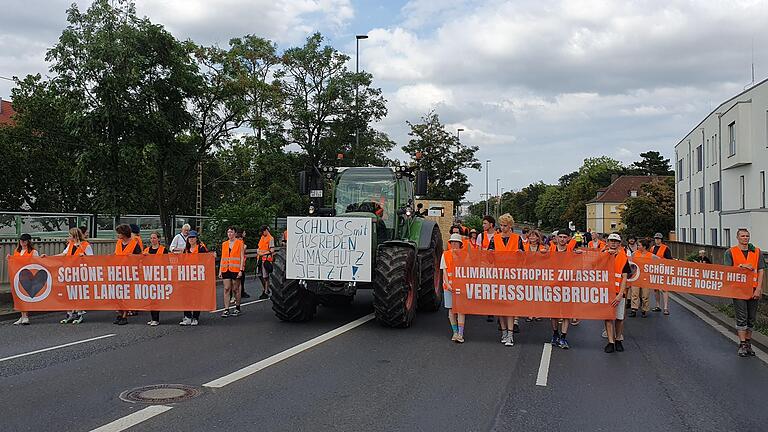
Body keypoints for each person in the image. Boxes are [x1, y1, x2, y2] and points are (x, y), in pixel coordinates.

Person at [724, 229, 764, 357]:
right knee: (742, 317)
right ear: (737, 237)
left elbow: (761, 270)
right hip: (738, 289)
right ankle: (742, 344)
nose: (745, 238)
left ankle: (748, 343)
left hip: (753, 288)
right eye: (742, 236)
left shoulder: (757, 252)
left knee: (751, 318)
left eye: (747, 236)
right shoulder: (730, 252)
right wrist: (742, 266)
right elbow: (727, 270)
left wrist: (758, 288)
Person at [488, 213, 524, 346]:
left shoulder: (517, 238)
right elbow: (488, 257)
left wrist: (521, 254)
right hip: (498, 275)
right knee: (500, 307)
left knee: (510, 306)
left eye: (505, 226)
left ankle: (510, 334)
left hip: (512, 276)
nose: (502, 228)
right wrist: (490, 254)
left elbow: (523, 257)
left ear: (510, 226)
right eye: (501, 225)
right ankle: (504, 332)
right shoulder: (495, 239)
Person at [549, 229, 581, 349]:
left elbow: (578, 267)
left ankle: (563, 337)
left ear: (568, 239)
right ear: (556, 238)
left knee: (566, 312)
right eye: (560, 237)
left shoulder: (572, 251)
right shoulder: (550, 250)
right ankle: (555, 334)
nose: (562, 239)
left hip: (568, 286)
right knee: (554, 313)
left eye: (564, 237)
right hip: (553, 286)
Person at [58, 227, 94, 324]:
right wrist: (49, 257)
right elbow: (63, 254)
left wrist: (84, 257)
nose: (68, 237)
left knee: (78, 293)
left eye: (70, 235)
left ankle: (79, 314)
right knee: (69, 293)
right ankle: (69, 314)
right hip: (70, 271)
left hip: (80, 272)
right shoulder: (70, 245)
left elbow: (92, 258)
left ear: (75, 236)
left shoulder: (86, 245)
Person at [603, 233, 631, 353]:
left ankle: (618, 338)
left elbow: (625, 277)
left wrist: (620, 294)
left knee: (619, 318)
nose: (613, 243)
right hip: (606, 293)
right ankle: (610, 342)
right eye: (611, 241)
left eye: (615, 241)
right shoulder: (602, 256)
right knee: (608, 318)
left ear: (619, 244)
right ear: (607, 242)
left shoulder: (623, 258)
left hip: (619, 293)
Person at [114, 223, 142, 325]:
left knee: (125, 293)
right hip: (118, 271)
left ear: (124, 233)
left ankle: (124, 315)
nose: (118, 235)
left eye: (119, 233)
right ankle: (120, 312)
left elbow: (140, 257)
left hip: (129, 272)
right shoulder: (118, 243)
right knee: (117, 293)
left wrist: (133, 257)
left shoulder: (134, 243)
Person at [8, 234, 38, 325]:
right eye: (21, 240)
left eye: (24, 241)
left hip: (28, 276)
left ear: (28, 241)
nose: (22, 242)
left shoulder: (33, 252)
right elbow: (14, 263)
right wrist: (10, 258)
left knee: (25, 296)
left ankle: (25, 316)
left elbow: (37, 263)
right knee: (19, 297)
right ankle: (22, 316)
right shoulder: (17, 251)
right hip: (17, 276)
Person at [441, 233, 466, 343]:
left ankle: (460, 334)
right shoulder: (445, 254)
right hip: (449, 287)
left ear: (460, 244)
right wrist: (448, 284)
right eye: (452, 242)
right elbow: (444, 271)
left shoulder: (464, 255)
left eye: (456, 242)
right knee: (451, 310)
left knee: (460, 310)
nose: (454, 244)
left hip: (460, 286)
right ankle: (455, 332)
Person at [181, 230, 207, 325]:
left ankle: (195, 317)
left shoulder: (201, 249)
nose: (191, 239)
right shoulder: (186, 250)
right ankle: (187, 316)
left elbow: (206, 261)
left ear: (196, 239)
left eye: (193, 237)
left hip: (197, 277)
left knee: (196, 297)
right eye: (189, 238)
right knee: (186, 297)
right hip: (187, 277)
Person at [220, 226, 246, 317]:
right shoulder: (224, 244)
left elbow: (242, 257)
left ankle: (237, 307)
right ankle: (226, 309)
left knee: (235, 289)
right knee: (227, 288)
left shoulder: (240, 243)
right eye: (228, 232)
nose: (229, 234)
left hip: (235, 269)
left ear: (235, 233)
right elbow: (223, 257)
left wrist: (241, 270)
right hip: (225, 268)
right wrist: (220, 270)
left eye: (231, 232)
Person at [143, 232, 167, 326]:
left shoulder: (163, 250)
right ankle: (153, 318)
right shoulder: (146, 250)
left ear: (158, 239)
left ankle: (156, 319)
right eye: (151, 238)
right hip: (149, 277)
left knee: (156, 299)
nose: (152, 240)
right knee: (151, 299)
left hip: (159, 277)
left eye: (154, 238)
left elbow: (166, 263)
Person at [628, 238, 656, 318]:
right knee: (634, 294)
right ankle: (634, 309)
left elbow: (660, 262)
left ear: (644, 246)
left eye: (639, 245)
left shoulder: (651, 256)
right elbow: (630, 263)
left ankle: (644, 310)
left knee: (645, 295)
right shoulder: (634, 254)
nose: (637, 246)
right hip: (636, 277)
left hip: (645, 278)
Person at [524, 229, 547, 323]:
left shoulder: (542, 247)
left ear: (538, 237)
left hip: (539, 274)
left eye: (534, 236)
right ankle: (530, 313)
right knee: (529, 294)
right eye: (530, 236)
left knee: (538, 294)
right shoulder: (525, 246)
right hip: (527, 273)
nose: (532, 237)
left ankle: (538, 313)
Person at [652, 232, 672, 315]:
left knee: (664, 289)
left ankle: (666, 308)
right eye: (656, 238)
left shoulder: (665, 248)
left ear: (661, 240)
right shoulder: (652, 248)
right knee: (656, 289)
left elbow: (669, 260)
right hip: (655, 271)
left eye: (658, 238)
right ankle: (657, 305)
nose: (657, 240)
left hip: (663, 271)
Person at [257, 225, 275, 300]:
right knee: (260, 275)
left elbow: (272, 250)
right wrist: (258, 252)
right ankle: (265, 289)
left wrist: (262, 253)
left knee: (265, 277)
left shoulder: (270, 238)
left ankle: (266, 291)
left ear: (266, 230)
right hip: (260, 259)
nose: (262, 233)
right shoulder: (262, 237)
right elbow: (259, 247)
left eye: (263, 232)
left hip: (266, 260)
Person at [237, 229, 250, 299]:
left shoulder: (241, 241)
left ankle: (242, 292)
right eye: (244, 232)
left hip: (241, 263)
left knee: (241, 279)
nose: (245, 234)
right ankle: (240, 293)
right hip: (239, 264)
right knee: (240, 280)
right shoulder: (240, 241)